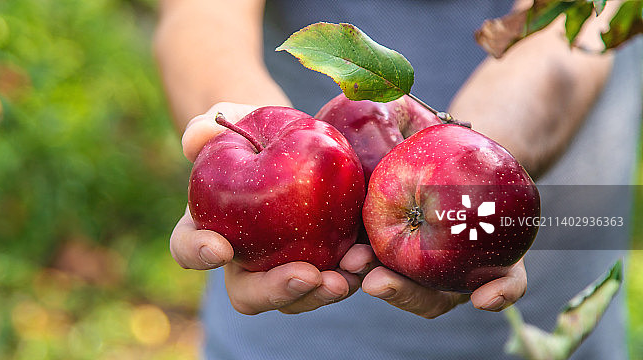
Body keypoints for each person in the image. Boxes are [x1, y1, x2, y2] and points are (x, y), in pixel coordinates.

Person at [155, 0, 641, 358]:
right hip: (292, 338)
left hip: (547, 312)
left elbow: (576, 23)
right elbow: (199, 17)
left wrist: (477, 168)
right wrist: (251, 145)